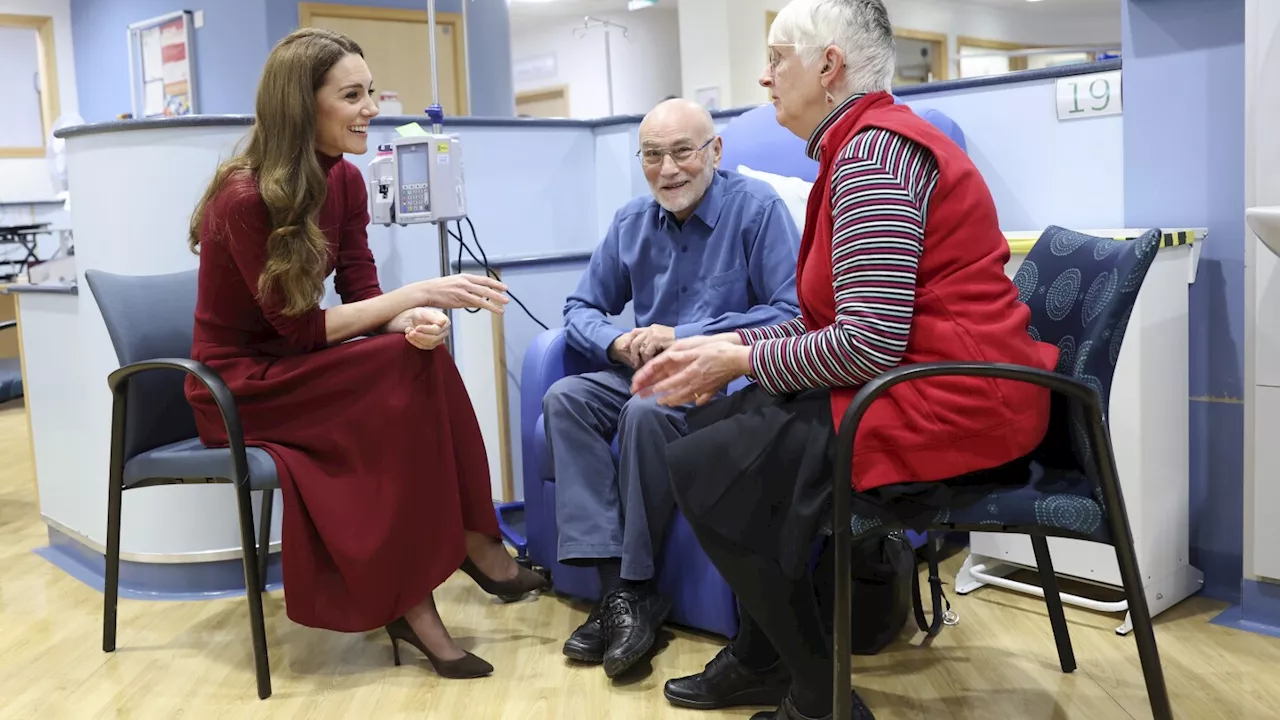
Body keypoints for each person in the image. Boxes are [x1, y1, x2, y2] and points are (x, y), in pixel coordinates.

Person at [631, 1, 1061, 718]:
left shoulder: (873, 156)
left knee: (711, 463)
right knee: (723, 437)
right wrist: (728, 348)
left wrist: (739, 362)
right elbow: (831, 325)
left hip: (953, 401)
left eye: (777, 59)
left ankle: (815, 692)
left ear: (827, 67)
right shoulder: (857, 146)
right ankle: (765, 658)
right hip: (920, 381)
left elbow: (867, 342)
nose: (764, 77)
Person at [183, 28, 548, 680]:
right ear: (302, 106)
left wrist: (416, 318)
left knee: (418, 355)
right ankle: (437, 575)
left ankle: (463, 548)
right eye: (352, 95)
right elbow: (297, 331)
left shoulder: (345, 181)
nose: (372, 107)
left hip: (296, 365)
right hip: (238, 385)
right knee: (398, 368)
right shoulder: (243, 198)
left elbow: (363, 295)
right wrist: (413, 296)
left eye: (370, 91)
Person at [542, 98, 803, 678]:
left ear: (715, 151)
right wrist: (616, 342)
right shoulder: (631, 220)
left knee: (645, 410)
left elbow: (791, 314)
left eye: (683, 152)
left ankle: (637, 584)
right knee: (565, 400)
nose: (668, 170)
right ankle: (619, 599)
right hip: (641, 368)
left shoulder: (756, 210)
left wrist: (681, 335)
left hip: (722, 375)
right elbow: (580, 306)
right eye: (653, 156)